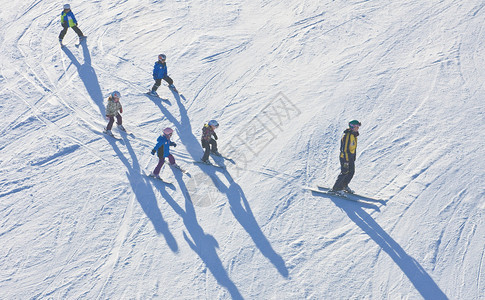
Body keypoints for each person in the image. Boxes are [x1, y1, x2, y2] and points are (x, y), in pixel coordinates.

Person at [330, 120, 361, 194]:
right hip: (345, 157)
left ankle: (344, 185)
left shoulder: (354, 135)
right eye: (356, 126)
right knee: (344, 172)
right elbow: (344, 149)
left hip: (350, 157)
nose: (358, 128)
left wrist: (353, 157)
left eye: (358, 126)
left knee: (351, 172)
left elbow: (353, 148)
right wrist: (346, 160)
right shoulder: (348, 136)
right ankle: (336, 189)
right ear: (352, 127)